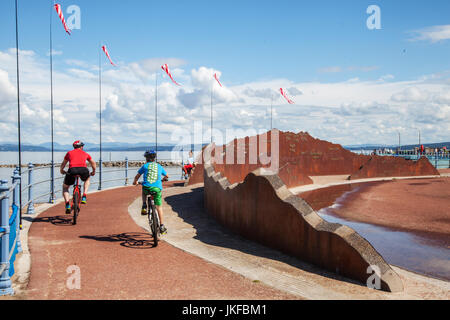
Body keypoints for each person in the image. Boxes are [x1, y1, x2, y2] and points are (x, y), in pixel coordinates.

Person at [133, 150, 169, 235]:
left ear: (146, 158)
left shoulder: (145, 166)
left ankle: (144, 205)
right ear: (154, 158)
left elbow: (137, 176)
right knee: (159, 207)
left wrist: (135, 182)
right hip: (157, 189)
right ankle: (162, 226)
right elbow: (167, 176)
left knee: (144, 191)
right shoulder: (159, 166)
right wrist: (163, 180)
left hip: (147, 187)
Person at [60, 141, 96, 214]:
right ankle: (84, 195)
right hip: (83, 170)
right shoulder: (85, 153)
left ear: (74, 146)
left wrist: (61, 170)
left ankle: (67, 204)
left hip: (72, 170)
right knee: (87, 179)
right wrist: (93, 171)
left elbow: (64, 163)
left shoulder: (69, 153)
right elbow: (93, 163)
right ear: (81, 147)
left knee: (65, 187)